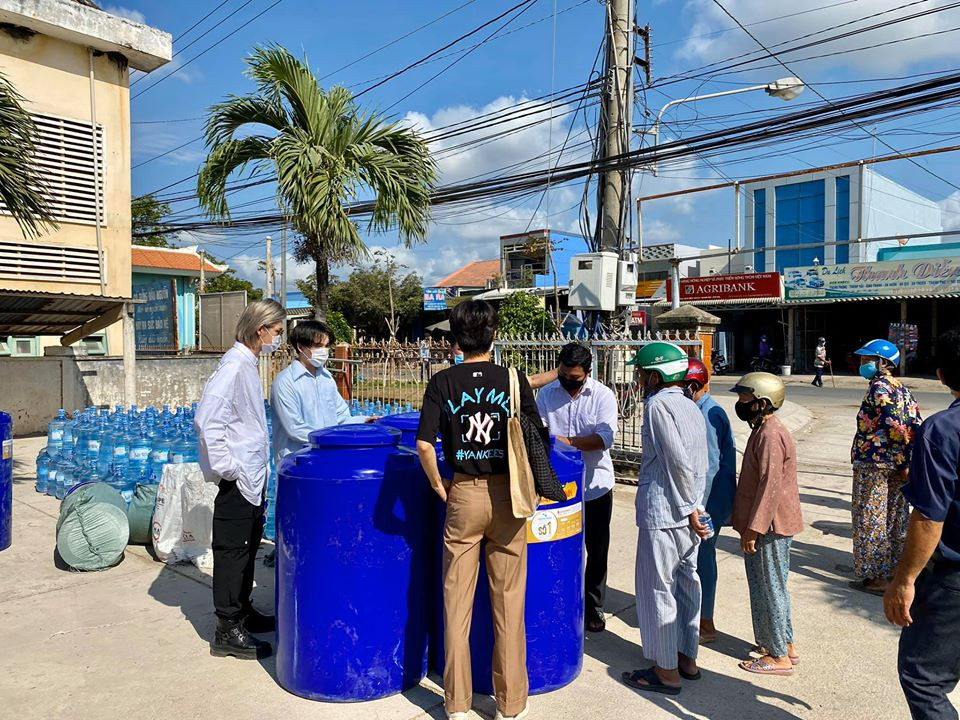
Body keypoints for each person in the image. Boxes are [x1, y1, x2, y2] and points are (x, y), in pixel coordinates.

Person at [416, 299, 544, 720]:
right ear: (493, 335)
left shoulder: (443, 382)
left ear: (455, 338)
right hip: (509, 495)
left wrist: (440, 486)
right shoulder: (512, 379)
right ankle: (510, 704)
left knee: (457, 602)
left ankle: (456, 703)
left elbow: (423, 444)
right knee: (509, 603)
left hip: (463, 494)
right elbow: (535, 438)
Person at [195, 299, 286, 660]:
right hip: (238, 479)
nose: (278, 339)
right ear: (259, 329)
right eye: (277, 332)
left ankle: (242, 610)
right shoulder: (233, 366)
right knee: (232, 552)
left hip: (251, 475)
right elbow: (207, 419)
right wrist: (228, 467)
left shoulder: (248, 363)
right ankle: (227, 628)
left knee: (247, 547)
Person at [621, 341, 709, 696]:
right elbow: (699, 460)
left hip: (668, 513)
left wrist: (689, 509)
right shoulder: (689, 405)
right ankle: (687, 658)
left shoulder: (657, 406)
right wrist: (696, 510)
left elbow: (676, 461)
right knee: (688, 586)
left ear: (655, 375)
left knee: (658, 589)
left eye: (641, 373)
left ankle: (666, 671)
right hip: (691, 514)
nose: (639, 379)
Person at [885, 327, 960, 720]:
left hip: (952, 579)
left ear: (941, 375)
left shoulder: (942, 431)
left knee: (922, 676)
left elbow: (930, 516)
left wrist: (904, 580)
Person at [535, 342, 619, 633]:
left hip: (595, 486)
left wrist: (566, 442)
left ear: (588, 372)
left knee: (596, 550)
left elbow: (604, 438)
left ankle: (594, 606)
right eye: (564, 376)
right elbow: (540, 436)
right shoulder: (546, 394)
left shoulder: (603, 396)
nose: (569, 382)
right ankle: (561, 601)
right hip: (557, 488)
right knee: (558, 545)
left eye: (576, 378)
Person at [729, 372, 803, 676]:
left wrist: (754, 529)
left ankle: (778, 656)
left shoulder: (771, 435)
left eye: (744, 399)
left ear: (761, 403)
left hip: (770, 527)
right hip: (767, 524)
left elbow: (770, 486)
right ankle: (782, 643)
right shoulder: (763, 428)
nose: (740, 404)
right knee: (769, 585)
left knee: (770, 586)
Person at [850, 339, 922, 596]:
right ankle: (891, 568)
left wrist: (901, 459)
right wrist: (905, 462)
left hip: (875, 462)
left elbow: (895, 425)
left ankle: (876, 577)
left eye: (867, 360)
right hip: (896, 464)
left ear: (884, 363)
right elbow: (914, 424)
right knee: (894, 515)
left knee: (870, 516)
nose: (862, 364)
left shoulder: (879, 387)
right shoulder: (902, 388)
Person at [683, 358, 737, 645]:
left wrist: (698, 507)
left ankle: (706, 622)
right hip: (711, 495)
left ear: (692, 386)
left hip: (709, 497)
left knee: (703, 557)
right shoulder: (705, 408)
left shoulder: (706, 415)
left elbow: (709, 466)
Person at [270, 319, 372, 463]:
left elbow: (341, 417)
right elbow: (295, 430)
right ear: (300, 347)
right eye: (318, 346)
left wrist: (363, 421)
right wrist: (332, 438)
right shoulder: (285, 383)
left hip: (328, 457)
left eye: (326, 346)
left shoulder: (327, 378)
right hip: (297, 463)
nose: (324, 351)